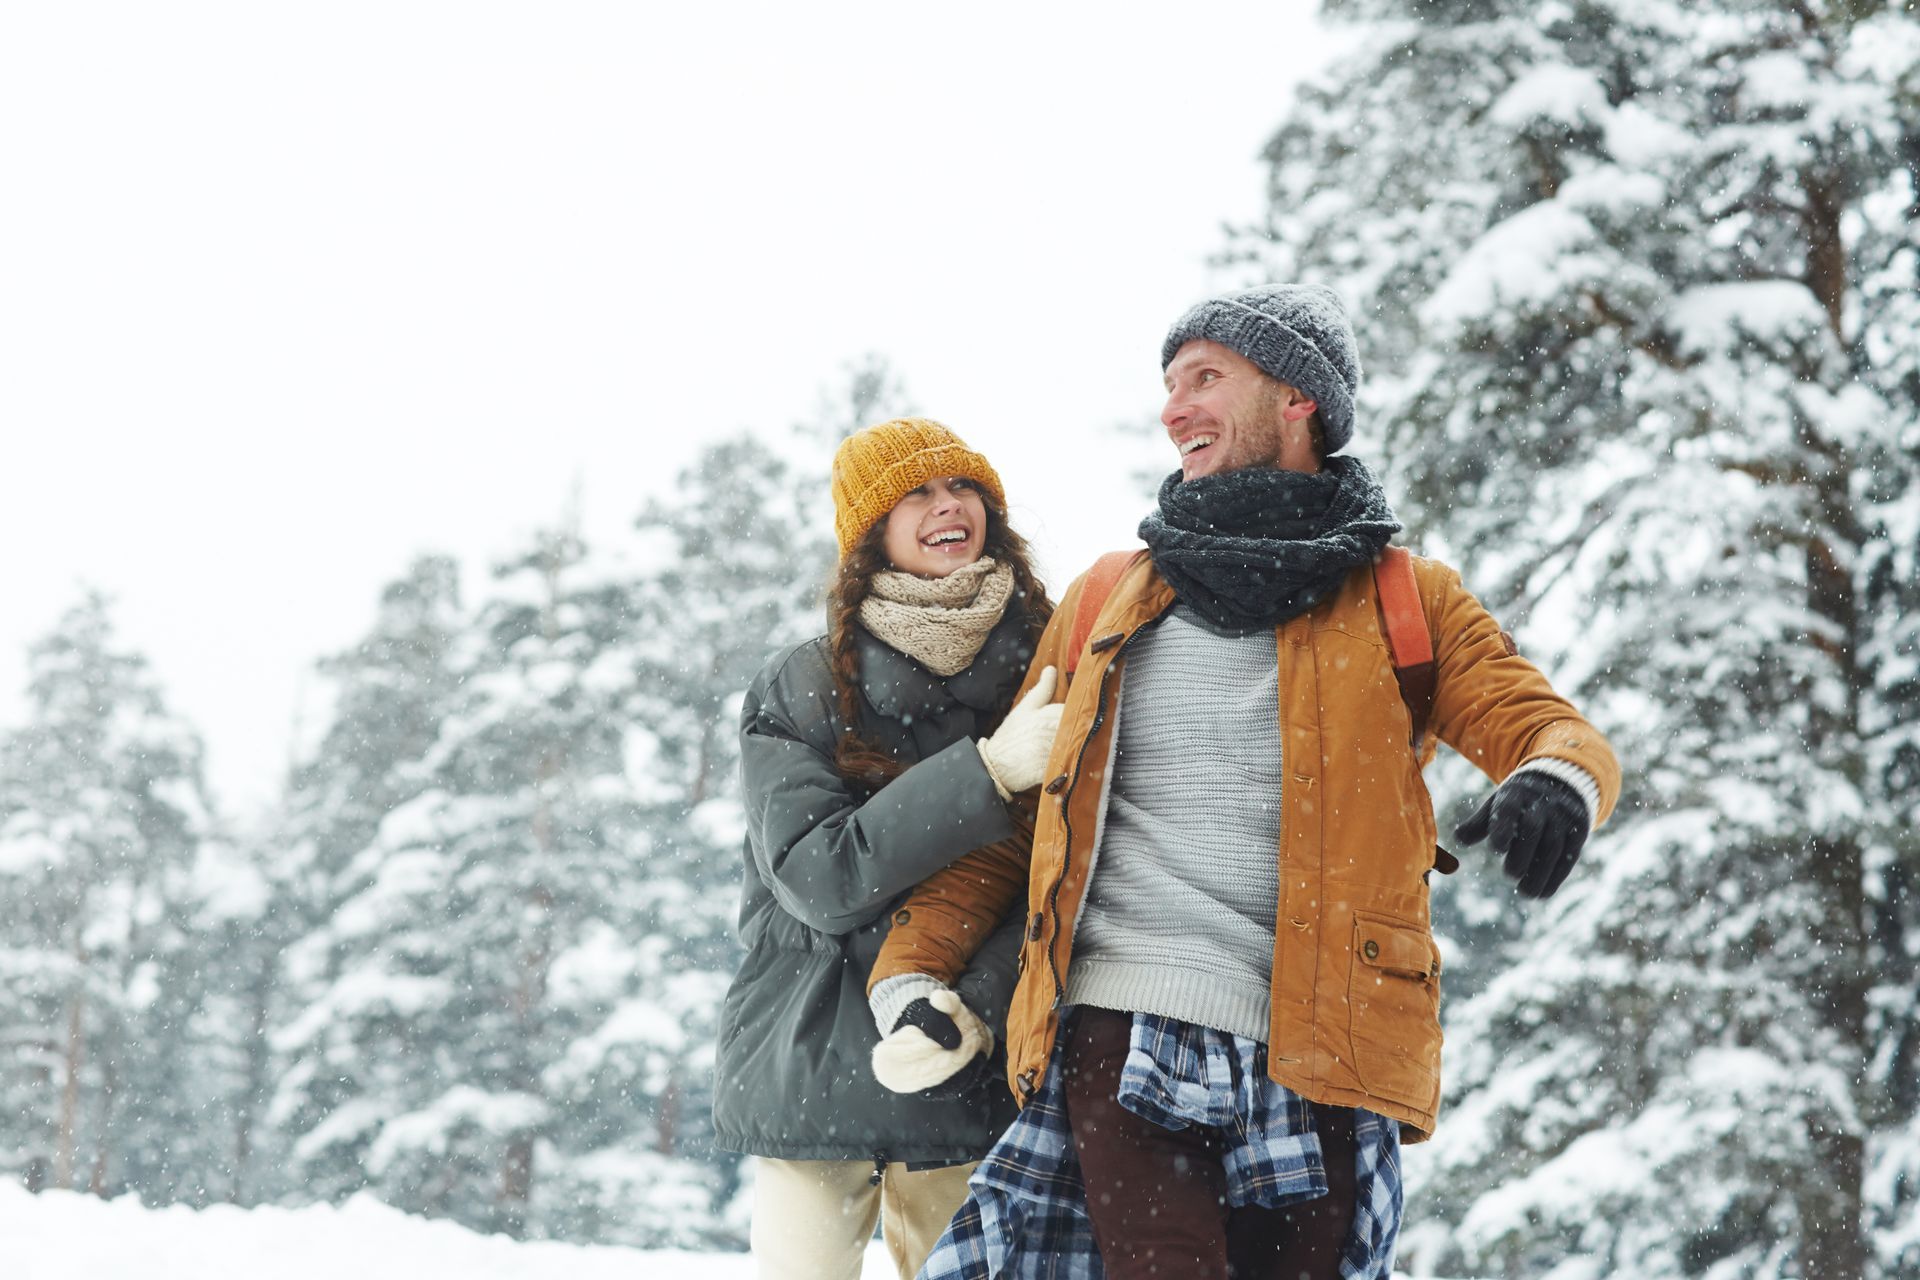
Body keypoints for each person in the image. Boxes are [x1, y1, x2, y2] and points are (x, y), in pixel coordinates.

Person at [864, 285, 1622, 1279]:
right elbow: (1024, 817)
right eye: (1169, 385)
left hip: (1325, 1040)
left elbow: (1545, 724)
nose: (1174, 407)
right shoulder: (1106, 597)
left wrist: (1560, 778)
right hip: (1120, 1022)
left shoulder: (1406, 597)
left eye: (1206, 378)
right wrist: (914, 972)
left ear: (1299, 398)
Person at [712, 417, 1061, 1280]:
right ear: (871, 531)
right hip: (810, 1065)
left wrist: (965, 1014)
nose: (949, 508)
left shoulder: (1050, 668)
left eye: (962, 488)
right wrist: (986, 776)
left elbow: (1061, 883)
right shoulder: (801, 683)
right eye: (918, 494)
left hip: (966, 1068)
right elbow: (820, 876)